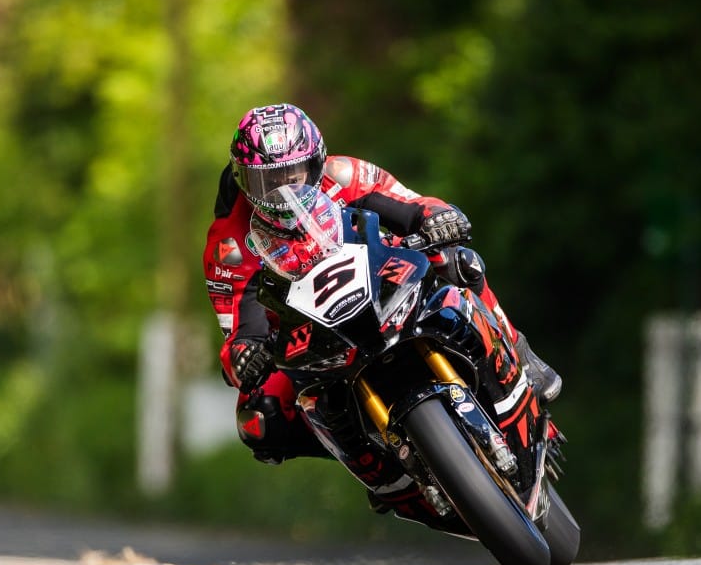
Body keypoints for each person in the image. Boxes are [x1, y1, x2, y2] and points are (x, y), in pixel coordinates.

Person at [201, 102, 560, 520]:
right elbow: (238, 330)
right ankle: (381, 470)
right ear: (245, 182)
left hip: (382, 279)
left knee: (459, 260)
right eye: (268, 181)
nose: (282, 191)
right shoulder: (228, 243)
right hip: (309, 337)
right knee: (258, 419)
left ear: (315, 163)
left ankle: (517, 347)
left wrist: (438, 218)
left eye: (292, 174)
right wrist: (246, 354)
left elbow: (411, 205)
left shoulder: (344, 174)